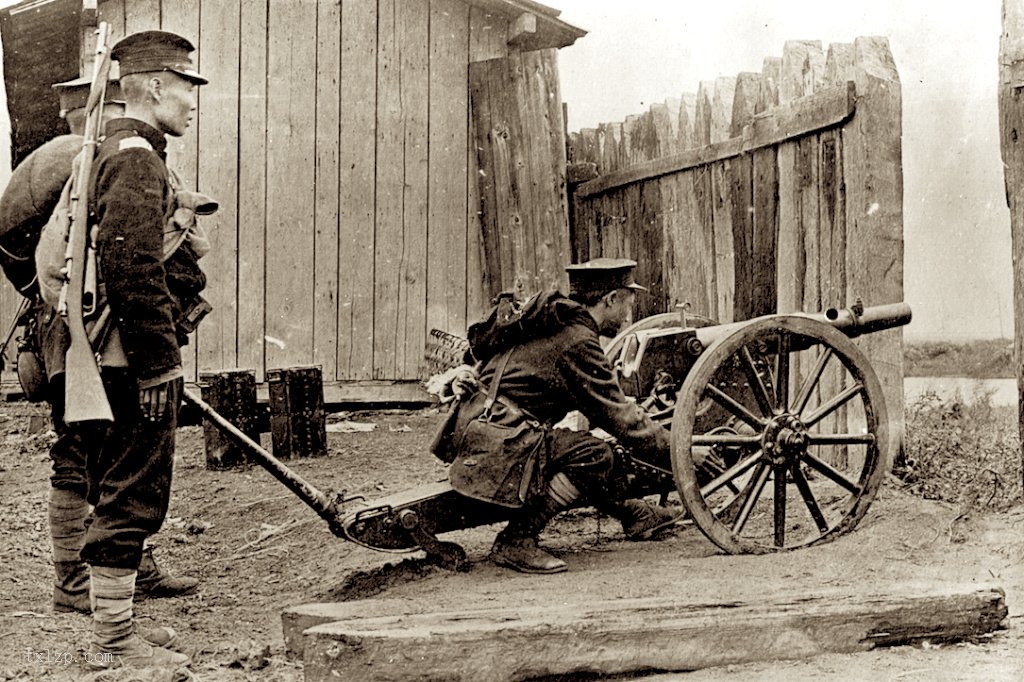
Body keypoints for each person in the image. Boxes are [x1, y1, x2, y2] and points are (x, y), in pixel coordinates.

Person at [37, 30, 210, 670]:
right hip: (125, 355)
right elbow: (132, 265)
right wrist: (160, 363)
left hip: (101, 348)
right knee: (133, 489)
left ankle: (106, 614)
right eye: (189, 86)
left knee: (105, 477)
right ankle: (115, 641)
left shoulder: (111, 148)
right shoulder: (137, 155)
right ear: (157, 85)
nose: (194, 100)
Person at [438, 258, 681, 574]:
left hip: (479, 424)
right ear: (610, 299)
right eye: (627, 303)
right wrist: (680, 449)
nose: (627, 315)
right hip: (502, 439)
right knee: (595, 455)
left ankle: (633, 514)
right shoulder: (578, 340)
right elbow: (623, 420)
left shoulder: (557, 321)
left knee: (579, 446)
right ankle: (516, 539)